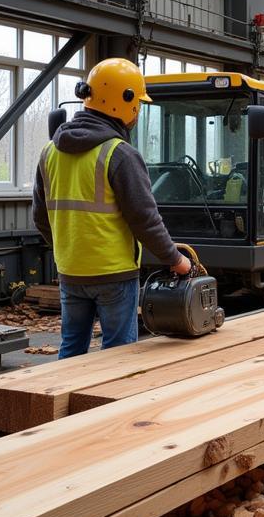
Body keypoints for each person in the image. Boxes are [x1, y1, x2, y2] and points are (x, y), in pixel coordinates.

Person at [32, 57, 191, 358]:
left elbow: (40, 218)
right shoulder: (120, 154)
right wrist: (175, 259)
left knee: (71, 350)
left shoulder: (48, 152)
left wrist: (69, 248)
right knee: (118, 357)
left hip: (70, 272)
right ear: (126, 102)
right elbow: (145, 220)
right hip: (114, 275)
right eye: (138, 104)